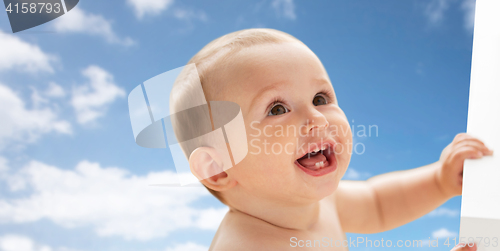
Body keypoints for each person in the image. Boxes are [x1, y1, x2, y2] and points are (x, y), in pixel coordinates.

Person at [170, 28, 492, 250]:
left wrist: (440, 181)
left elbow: (378, 204)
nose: (317, 118)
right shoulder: (246, 247)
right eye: (278, 108)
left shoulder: (320, 203)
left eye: (321, 98)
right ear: (218, 168)